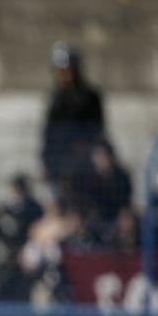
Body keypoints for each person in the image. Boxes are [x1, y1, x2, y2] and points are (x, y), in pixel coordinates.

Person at [41, 42, 104, 204]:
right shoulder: (56, 98)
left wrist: (85, 146)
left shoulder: (89, 97)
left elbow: (97, 127)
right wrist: (45, 161)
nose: (64, 75)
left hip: (83, 162)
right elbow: (48, 132)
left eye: (67, 71)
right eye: (60, 71)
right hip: (59, 162)